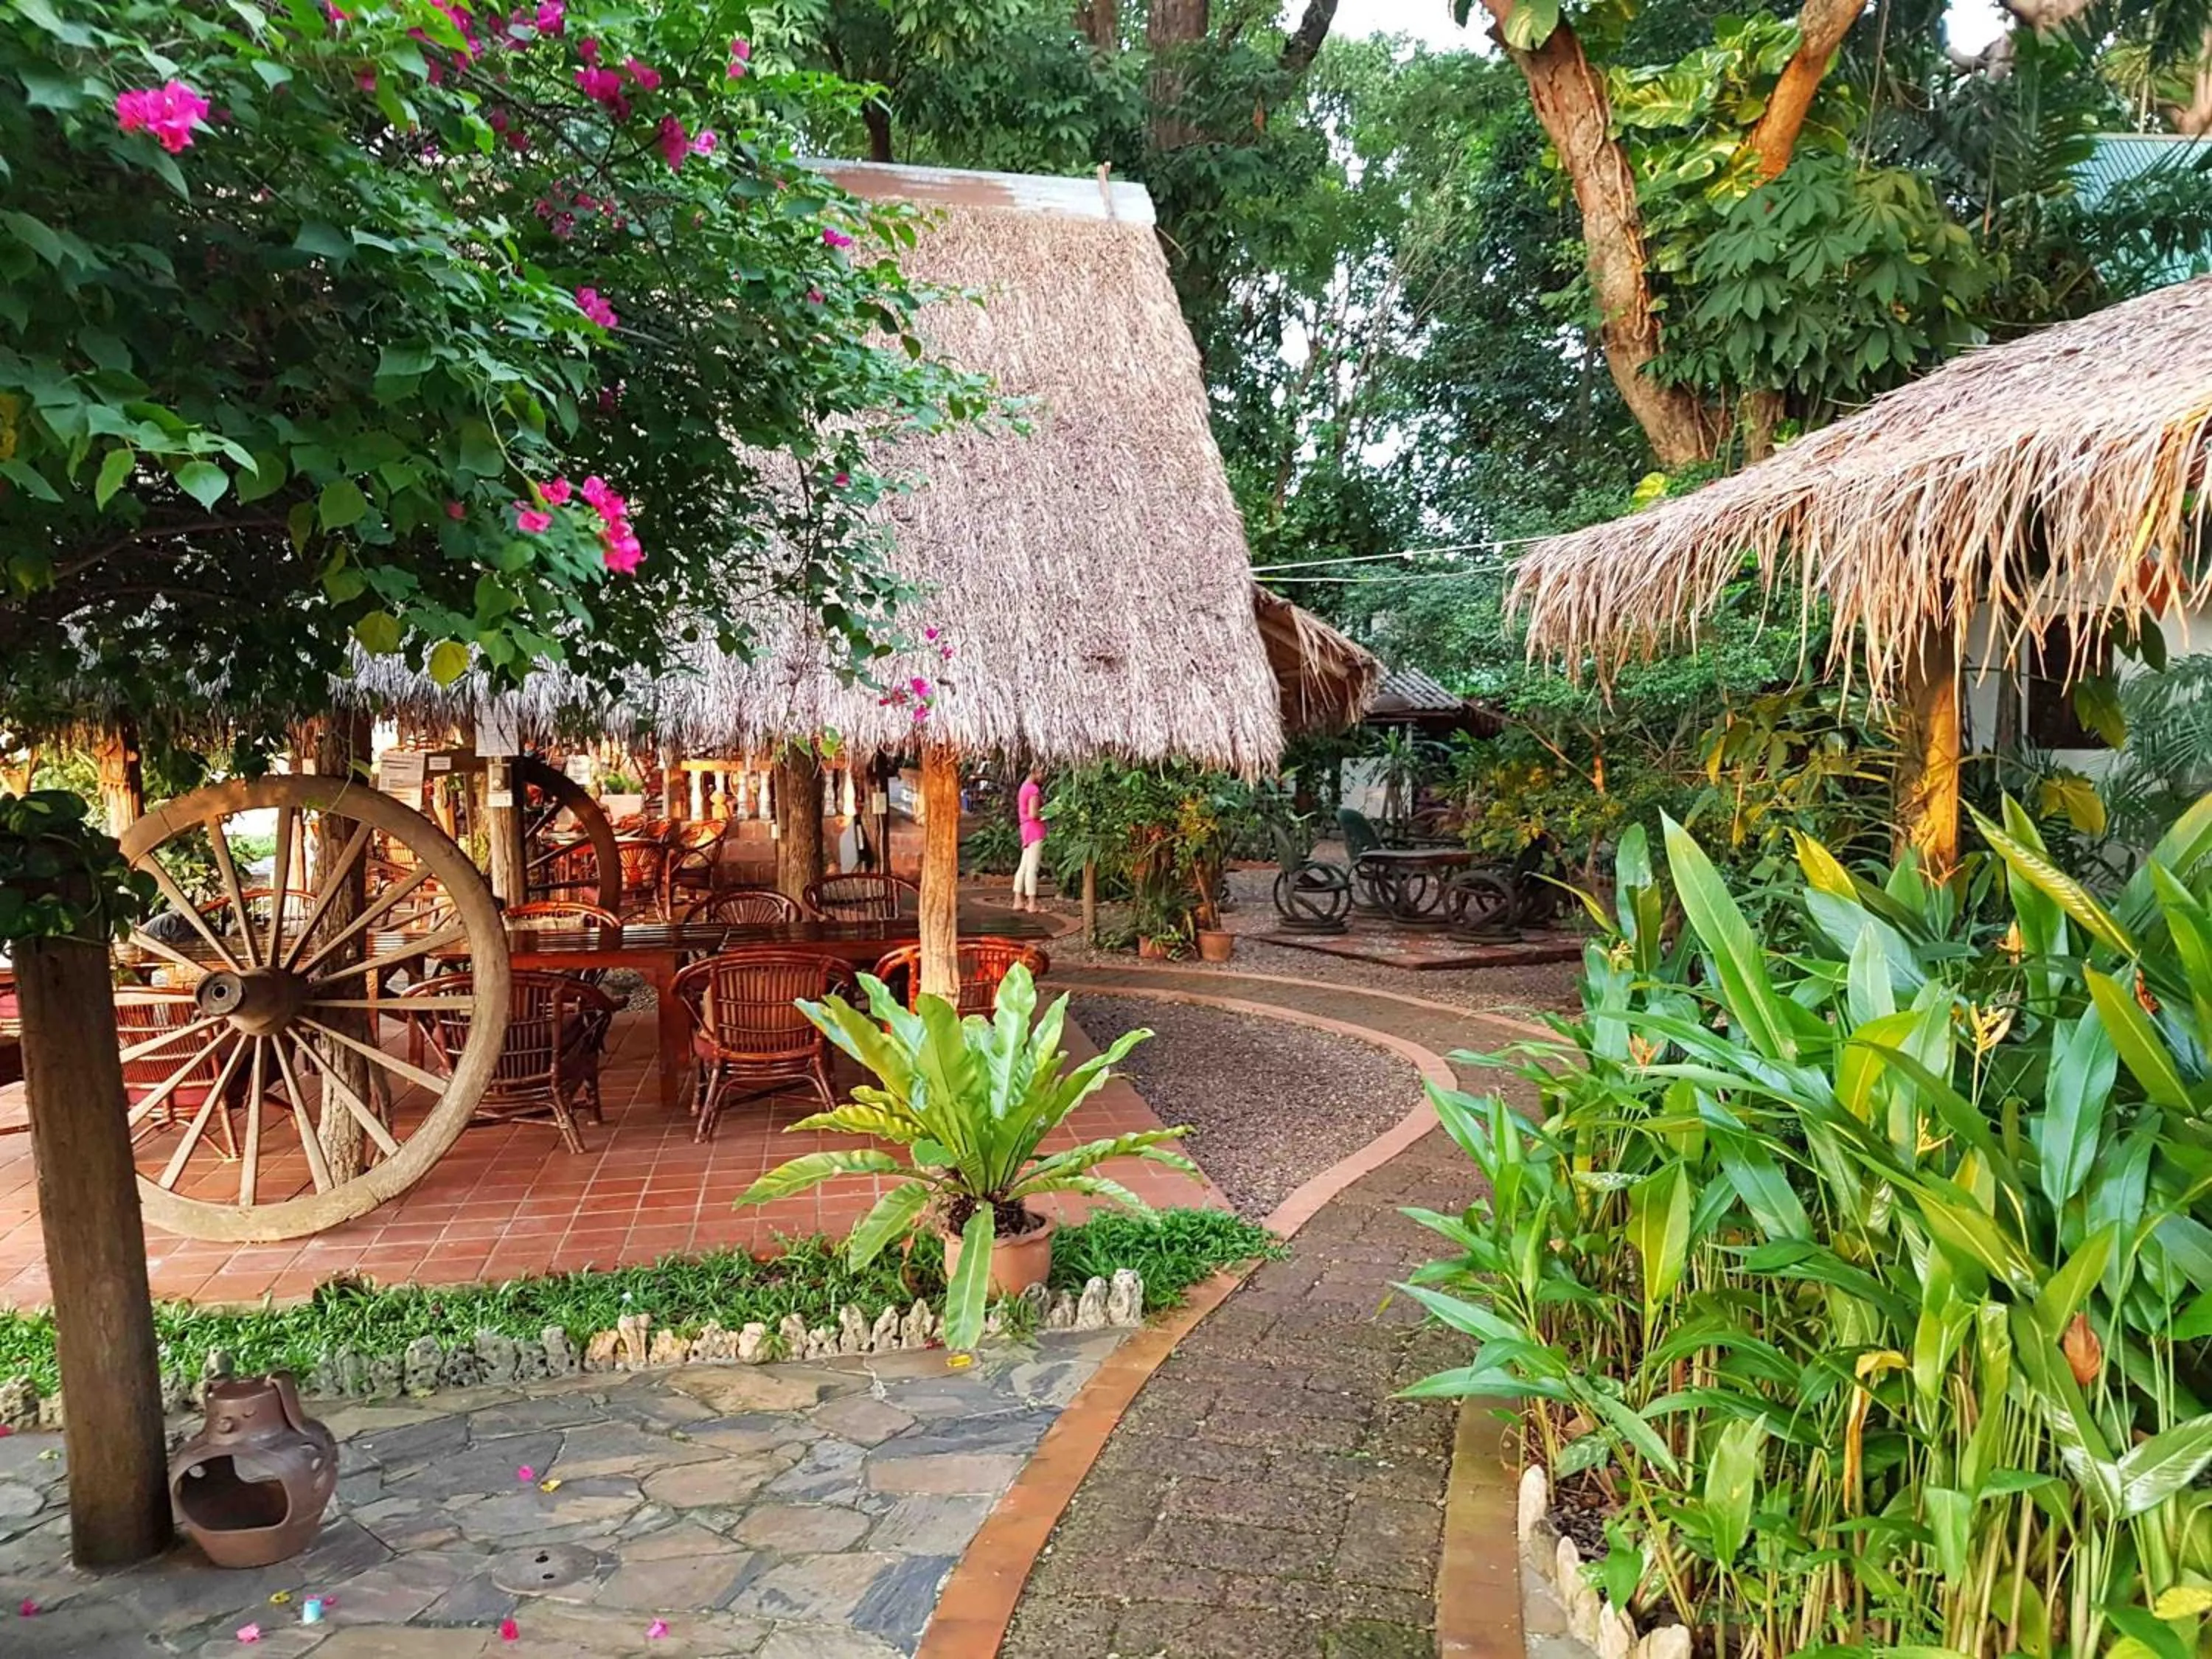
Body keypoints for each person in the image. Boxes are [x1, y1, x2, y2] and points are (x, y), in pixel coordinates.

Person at [1013, 768, 1047, 913]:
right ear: (1034, 772)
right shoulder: (1033, 790)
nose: (1043, 777)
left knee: (1024, 865)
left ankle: (1018, 900)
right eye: (1041, 773)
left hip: (1025, 828)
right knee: (1033, 867)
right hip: (1035, 829)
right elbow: (1034, 813)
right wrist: (1047, 814)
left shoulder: (1024, 787)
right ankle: (1032, 903)